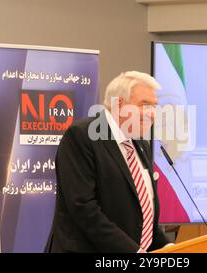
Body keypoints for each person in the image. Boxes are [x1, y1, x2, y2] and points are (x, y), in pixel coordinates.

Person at [45, 71, 171, 253]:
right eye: (144, 105)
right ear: (119, 105)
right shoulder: (82, 136)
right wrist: (133, 251)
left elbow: (141, 214)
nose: (152, 114)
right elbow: (84, 209)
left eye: (154, 107)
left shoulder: (141, 144)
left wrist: (167, 245)